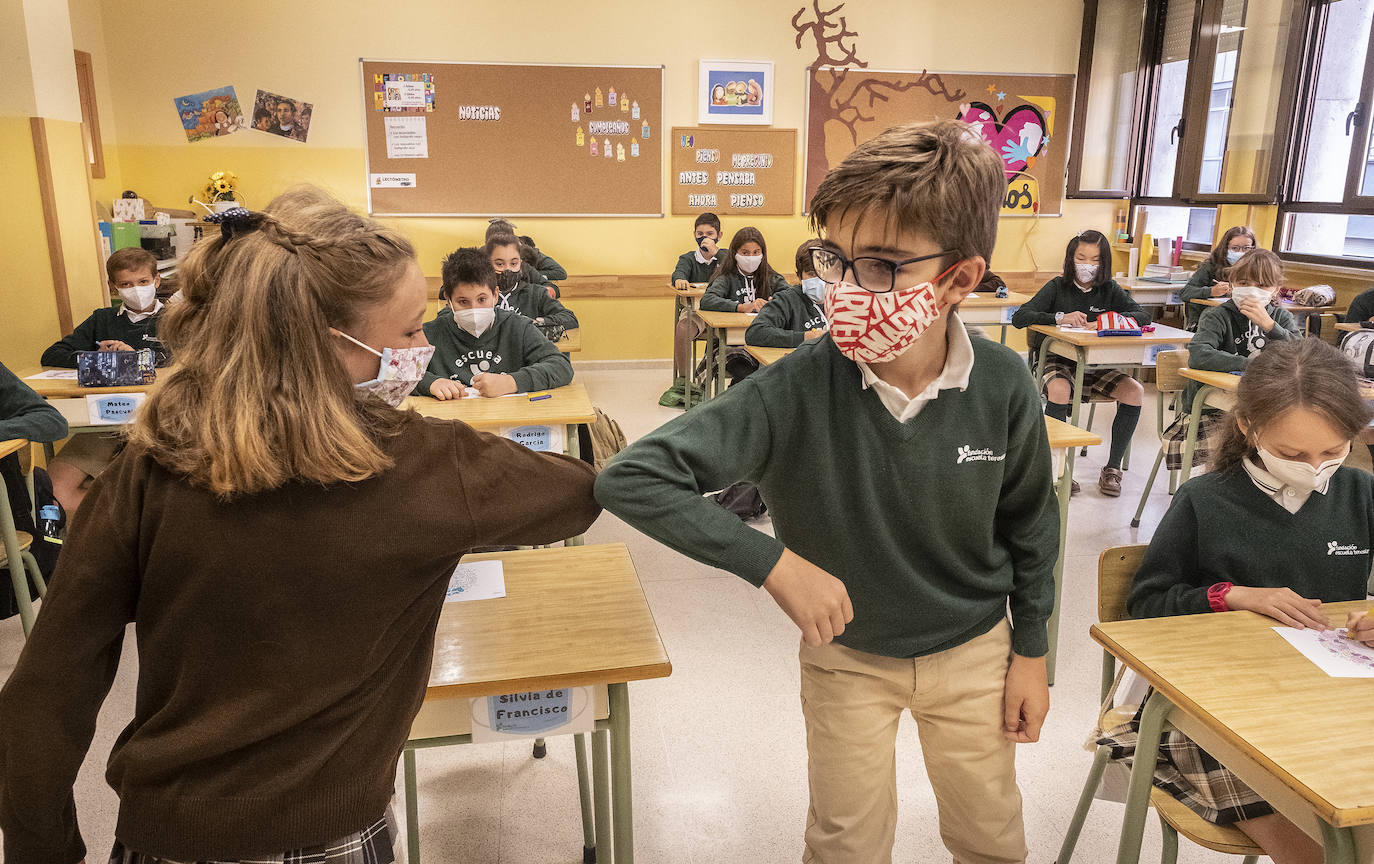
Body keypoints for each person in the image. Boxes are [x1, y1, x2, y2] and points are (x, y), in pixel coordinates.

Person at [0, 187, 600, 864]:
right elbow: (587, 490)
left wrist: (39, 849)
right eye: (408, 332)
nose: (420, 351)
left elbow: (45, 695)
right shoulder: (423, 460)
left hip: (162, 836)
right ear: (325, 341)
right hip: (333, 837)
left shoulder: (151, 467)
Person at [597, 120, 1057, 864]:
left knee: (990, 833)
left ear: (959, 280)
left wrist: (1032, 651)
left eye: (880, 266)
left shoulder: (1004, 385)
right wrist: (772, 563)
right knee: (845, 843)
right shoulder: (798, 385)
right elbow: (631, 477)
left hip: (975, 649)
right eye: (833, 260)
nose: (846, 289)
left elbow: (1033, 525)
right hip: (848, 659)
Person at [1106, 338, 1374, 864]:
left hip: (1325, 701)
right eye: (1293, 454)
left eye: (1332, 451)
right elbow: (1148, 603)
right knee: (1317, 847)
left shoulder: (1360, 493)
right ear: (1249, 426)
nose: (1314, 467)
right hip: (1210, 711)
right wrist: (1232, 596)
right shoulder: (1205, 500)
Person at [1011, 229, 1151, 497]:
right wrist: (1059, 317)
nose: (1088, 265)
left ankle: (1112, 468)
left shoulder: (1109, 289)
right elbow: (1021, 317)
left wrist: (1105, 320)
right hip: (1056, 361)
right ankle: (1057, 468)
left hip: (1095, 365)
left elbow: (1142, 315)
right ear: (1071, 258)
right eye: (1082, 258)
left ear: (1104, 262)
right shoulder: (1057, 286)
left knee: (1135, 391)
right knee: (1060, 389)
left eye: (1095, 260)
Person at [42, 246, 169, 517]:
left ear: (157, 281)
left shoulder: (177, 318)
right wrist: (95, 357)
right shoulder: (103, 319)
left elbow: (185, 363)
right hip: (104, 424)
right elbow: (52, 355)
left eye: (143, 282)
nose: (136, 289)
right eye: (127, 284)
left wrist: (136, 359)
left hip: (159, 426)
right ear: (114, 288)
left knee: (165, 490)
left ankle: (140, 516)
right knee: (52, 492)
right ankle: (127, 515)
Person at [1162, 249, 1300, 474]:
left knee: (1285, 444)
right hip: (1213, 406)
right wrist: (1250, 365)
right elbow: (1199, 354)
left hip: (1261, 405)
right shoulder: (1217, 316)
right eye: (1244, 282)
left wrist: (1269, 326)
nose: (1253, 290)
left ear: (1275, 289)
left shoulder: (1280, 318)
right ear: (1232, 283)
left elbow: (1301, 355)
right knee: (1233, 458)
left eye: (1263, 285)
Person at [419, 246, 573, 400]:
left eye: (482, 299)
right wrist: (431, 383)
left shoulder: (518, 327)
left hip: (510, 420)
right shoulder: (430, 334)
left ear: (495, 295)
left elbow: (561, 366)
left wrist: (513, 382)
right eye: (463, 301)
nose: (474, 310)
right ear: (448, 300)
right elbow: (396, 371)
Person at [700, 227, 791, 385]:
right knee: (747, 374)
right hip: (730, 344)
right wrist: (741, 307)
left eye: (756, 252)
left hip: (762, 341)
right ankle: (734, 404)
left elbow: (790, 297)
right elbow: (707, 300)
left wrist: (773, 304)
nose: (751, 257)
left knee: (773, 370)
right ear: (735, 253)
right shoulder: (727, 277)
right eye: (745, 252)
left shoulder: (770, 277)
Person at [663, 213, 730, 405]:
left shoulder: (725, 256)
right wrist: (680, 280)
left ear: (719, 235)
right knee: (682, 328)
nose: (704, 237)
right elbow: (679, 272)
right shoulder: (688, 258)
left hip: (722, 311)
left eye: (709, 233)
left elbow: (733, 269)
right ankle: (685, 382)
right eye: (700, 233)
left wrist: (716, 252)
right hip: (697, 310)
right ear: (694, 234)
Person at [744, 238, 828, 349]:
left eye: (824, 272)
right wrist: (805, 337)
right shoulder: (786, 300)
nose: (819, 280)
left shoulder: (842, 300)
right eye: (812, 274)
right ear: (799, 276)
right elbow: (755, 333)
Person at [486, 234, 578, 333]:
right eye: (500, 264)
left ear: (521, 263)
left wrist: (539, 323)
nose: (507, 269)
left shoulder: (536, 293)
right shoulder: (480, 295)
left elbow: (570, 318)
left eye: (513, 264)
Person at [1178, 226, 1256, 329]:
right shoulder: (1211, 266)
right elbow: (1185, 293)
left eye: (1246, 248)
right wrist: (1211, 291)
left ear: (1253, 248)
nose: (1240, 252)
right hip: (1210, 321)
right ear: (1226, 248)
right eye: (1235, 248)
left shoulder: (1257, 268)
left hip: (1243, 319)